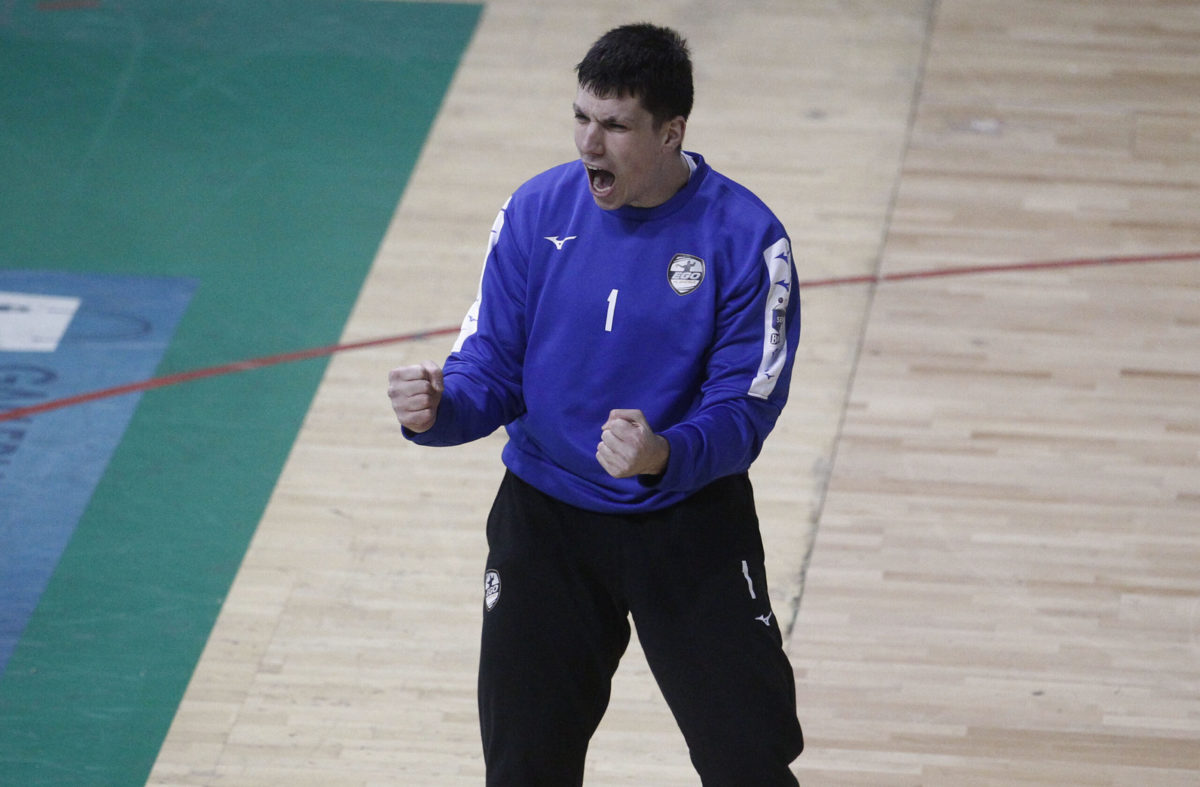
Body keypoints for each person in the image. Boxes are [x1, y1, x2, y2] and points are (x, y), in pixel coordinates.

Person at [389, 22, 803, 786]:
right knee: (524, 767)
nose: (589, 143)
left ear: (671, 132)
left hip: (687, 520)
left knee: (748, 760)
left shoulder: (747, 239)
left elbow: (745, 407)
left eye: (614, 125)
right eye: (581, 117)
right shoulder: (534, 212)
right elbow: (492, 365)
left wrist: (663, 453)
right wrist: (440, 408)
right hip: (547, 523)